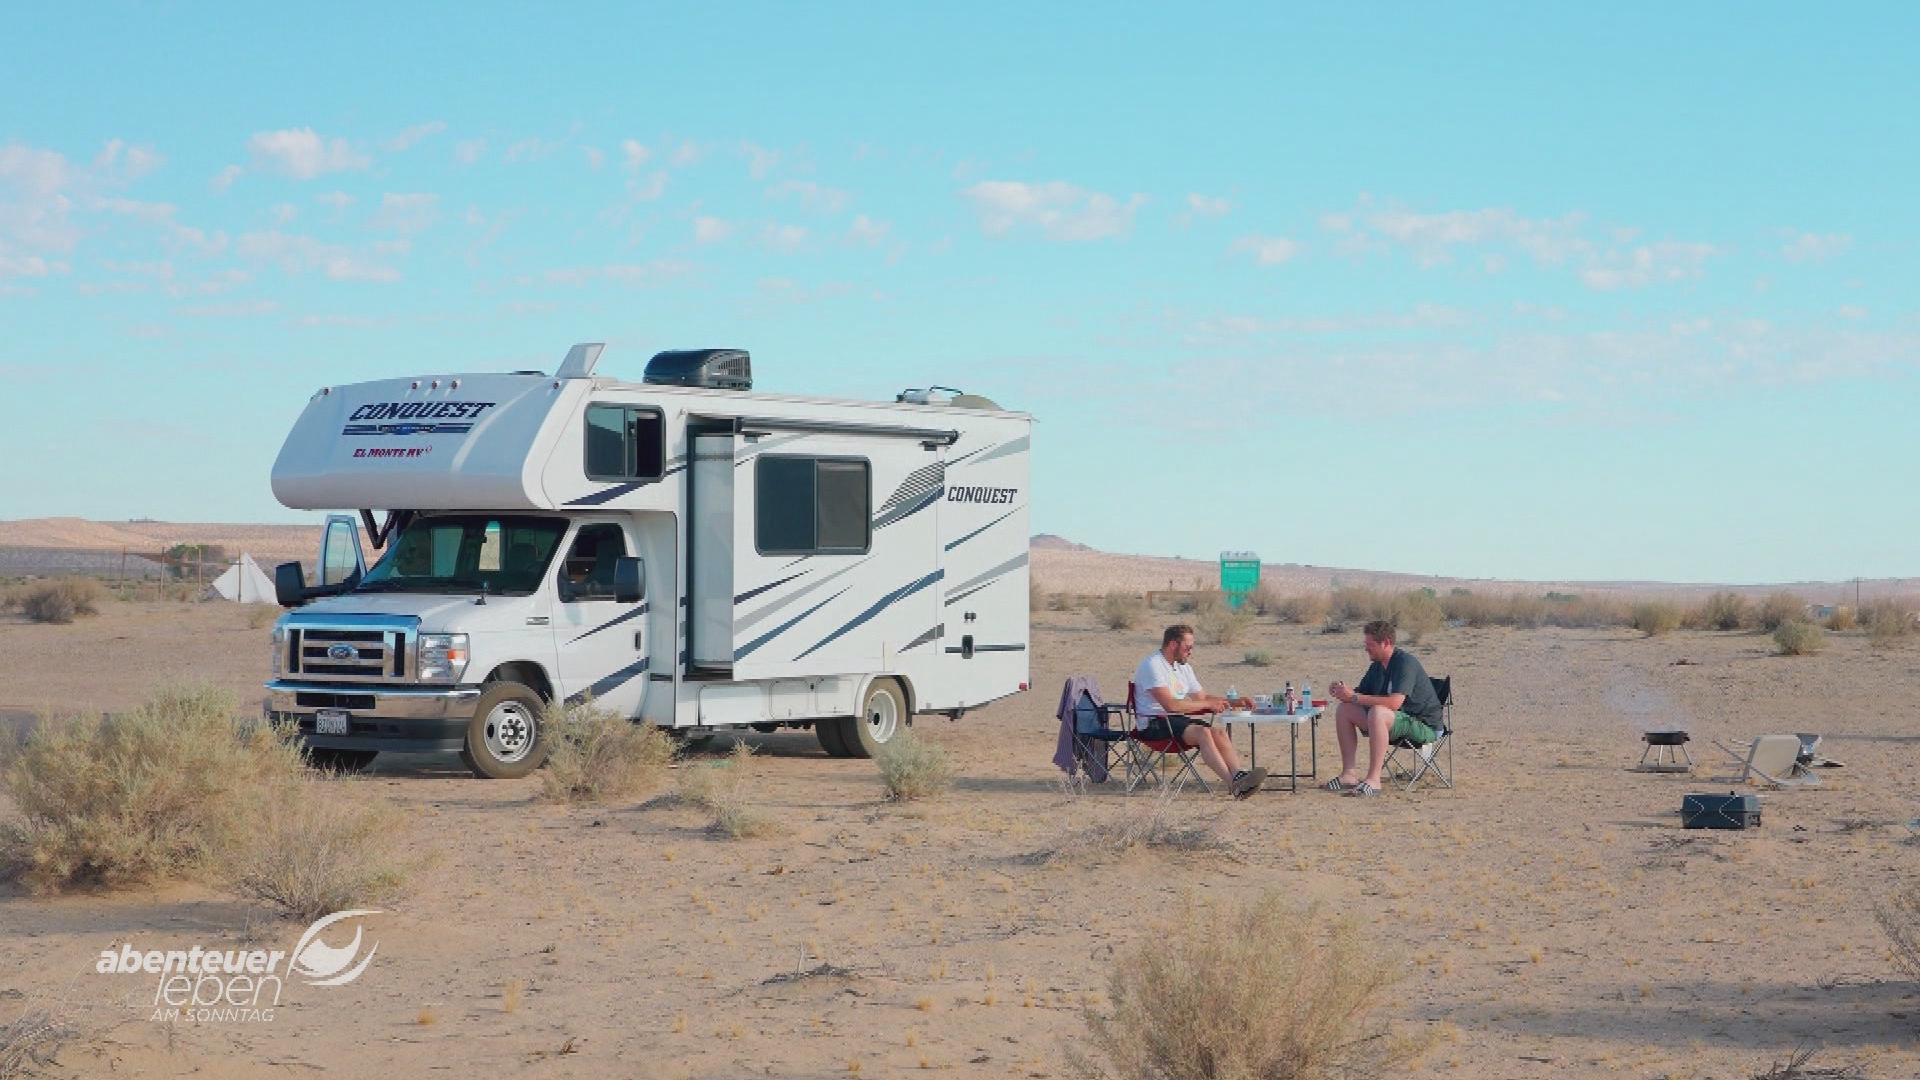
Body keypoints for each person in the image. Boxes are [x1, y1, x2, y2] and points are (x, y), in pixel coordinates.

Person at [1133, 624, 1267, 798]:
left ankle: (1239, 774)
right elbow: (1171, 706)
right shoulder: (1152, 665)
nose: (1190, 652)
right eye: (1187, 648)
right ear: (1173, 644)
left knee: (1218, 732)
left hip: (1177, 721)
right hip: (1153, 724)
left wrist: (1233, 701)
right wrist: (1207, 705)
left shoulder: (1183, 667)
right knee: (1203, 733)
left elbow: (1202, 697)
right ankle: (1235, 784)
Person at [1326, 620, 1444, 797]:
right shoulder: (1377, 666)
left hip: (1423, 726)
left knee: (1378, 712)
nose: (1366, 649)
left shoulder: (1405, 663)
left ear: (1386, 642)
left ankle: (1374, 780)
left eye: (1370, 645)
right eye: (1366, 644)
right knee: (1345, 709)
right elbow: (1361, 695)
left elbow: (1395, 703)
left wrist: (1355, 697)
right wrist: (1345, 693)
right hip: (1396, 720)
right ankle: (1349, 775)